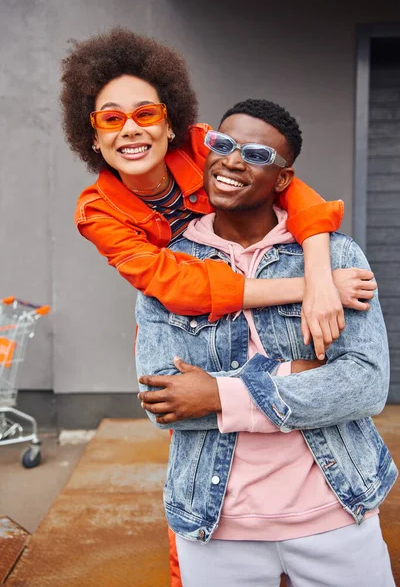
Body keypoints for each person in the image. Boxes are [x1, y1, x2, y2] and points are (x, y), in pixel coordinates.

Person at [61, 29, 377, 586]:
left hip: (332, 507)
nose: (130, 129)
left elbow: (296, 193)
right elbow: (175, 294)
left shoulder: (207, 145)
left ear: (171, 120)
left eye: (145, 113)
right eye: (110, 118)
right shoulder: (98, 211)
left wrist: (320, 264)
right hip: (184, 312)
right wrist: (307, 292)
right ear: (91, 133)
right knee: (187, 556)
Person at [137, 99, 397, 587]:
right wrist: (299, 373)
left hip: (336, 511)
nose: (233, 161)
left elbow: (364, 384)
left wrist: (219, 395)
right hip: (216, 525)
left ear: (284, 179)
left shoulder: (334, 256)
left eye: (256, 154)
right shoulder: (171, 266)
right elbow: (163, 400)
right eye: (224, 144)